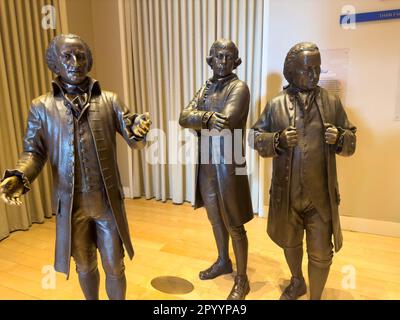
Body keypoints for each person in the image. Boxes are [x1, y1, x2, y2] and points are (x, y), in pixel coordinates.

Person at [0, 34, 151, 300]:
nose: (75, 62)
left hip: (107, 203)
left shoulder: (109, 100)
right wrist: (20, 175)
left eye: (80, 56)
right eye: (67, 56)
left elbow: (133, 134)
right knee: (84, 264)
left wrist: (138, 129)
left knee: (115, 265)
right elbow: (34, 152)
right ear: (55, 63)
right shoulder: (41, 107)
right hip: (71, 206)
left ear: (88, 61)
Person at [249, 42, 356, 300]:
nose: (314, 74)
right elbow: (254, 137)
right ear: (292, 71)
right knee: (291, 242)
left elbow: (351, 140)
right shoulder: (276, 105)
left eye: (317, 68)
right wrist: (277, 140)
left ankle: (315, 297)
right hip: (287, 194)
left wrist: (341, 137)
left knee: (321, 253)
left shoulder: (332, 102)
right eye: (308, 69)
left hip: (320, 197)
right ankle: (297, 281)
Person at [179, 39, 253, 300]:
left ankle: (242, 280)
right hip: (207, 165)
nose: (223, 61)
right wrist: (208, 117)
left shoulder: (239, 88)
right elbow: (183, 117)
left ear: (237, 62)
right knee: (214, 218)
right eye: (218, 56)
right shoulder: (205, 88)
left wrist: (201, 117)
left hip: (230, 164)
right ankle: (224, 261)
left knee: (234, 222)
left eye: (228, 57)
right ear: (210, 60)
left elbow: (228, 120)